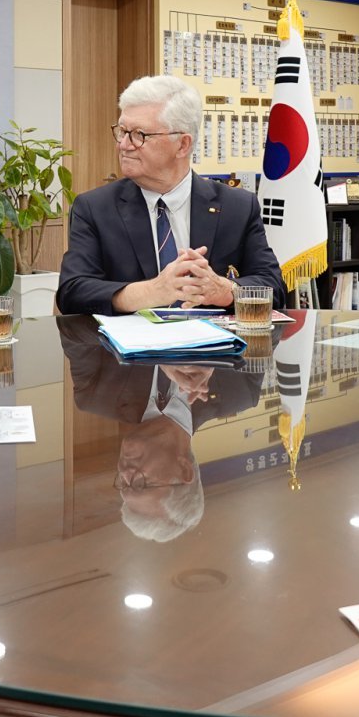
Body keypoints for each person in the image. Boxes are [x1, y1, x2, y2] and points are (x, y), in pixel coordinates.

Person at [57, 75, 285, 315]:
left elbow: (274, 288)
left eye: (139, 134)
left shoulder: (237, 207)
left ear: (183, 145)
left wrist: (223, 290)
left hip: (212, 339)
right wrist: (152, 291)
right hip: (129, 340)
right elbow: (72, 292)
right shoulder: (94, 208)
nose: (124, 144)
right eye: (122, 131)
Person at [60, 318, 263, 541]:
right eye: (141, 484)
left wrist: (154, 349)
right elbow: (266, 321)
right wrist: (214, 350)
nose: (125, 473)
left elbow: (70, 325)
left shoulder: (95, 395)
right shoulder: (240, 392)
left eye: (123, 484)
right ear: (184, 470)